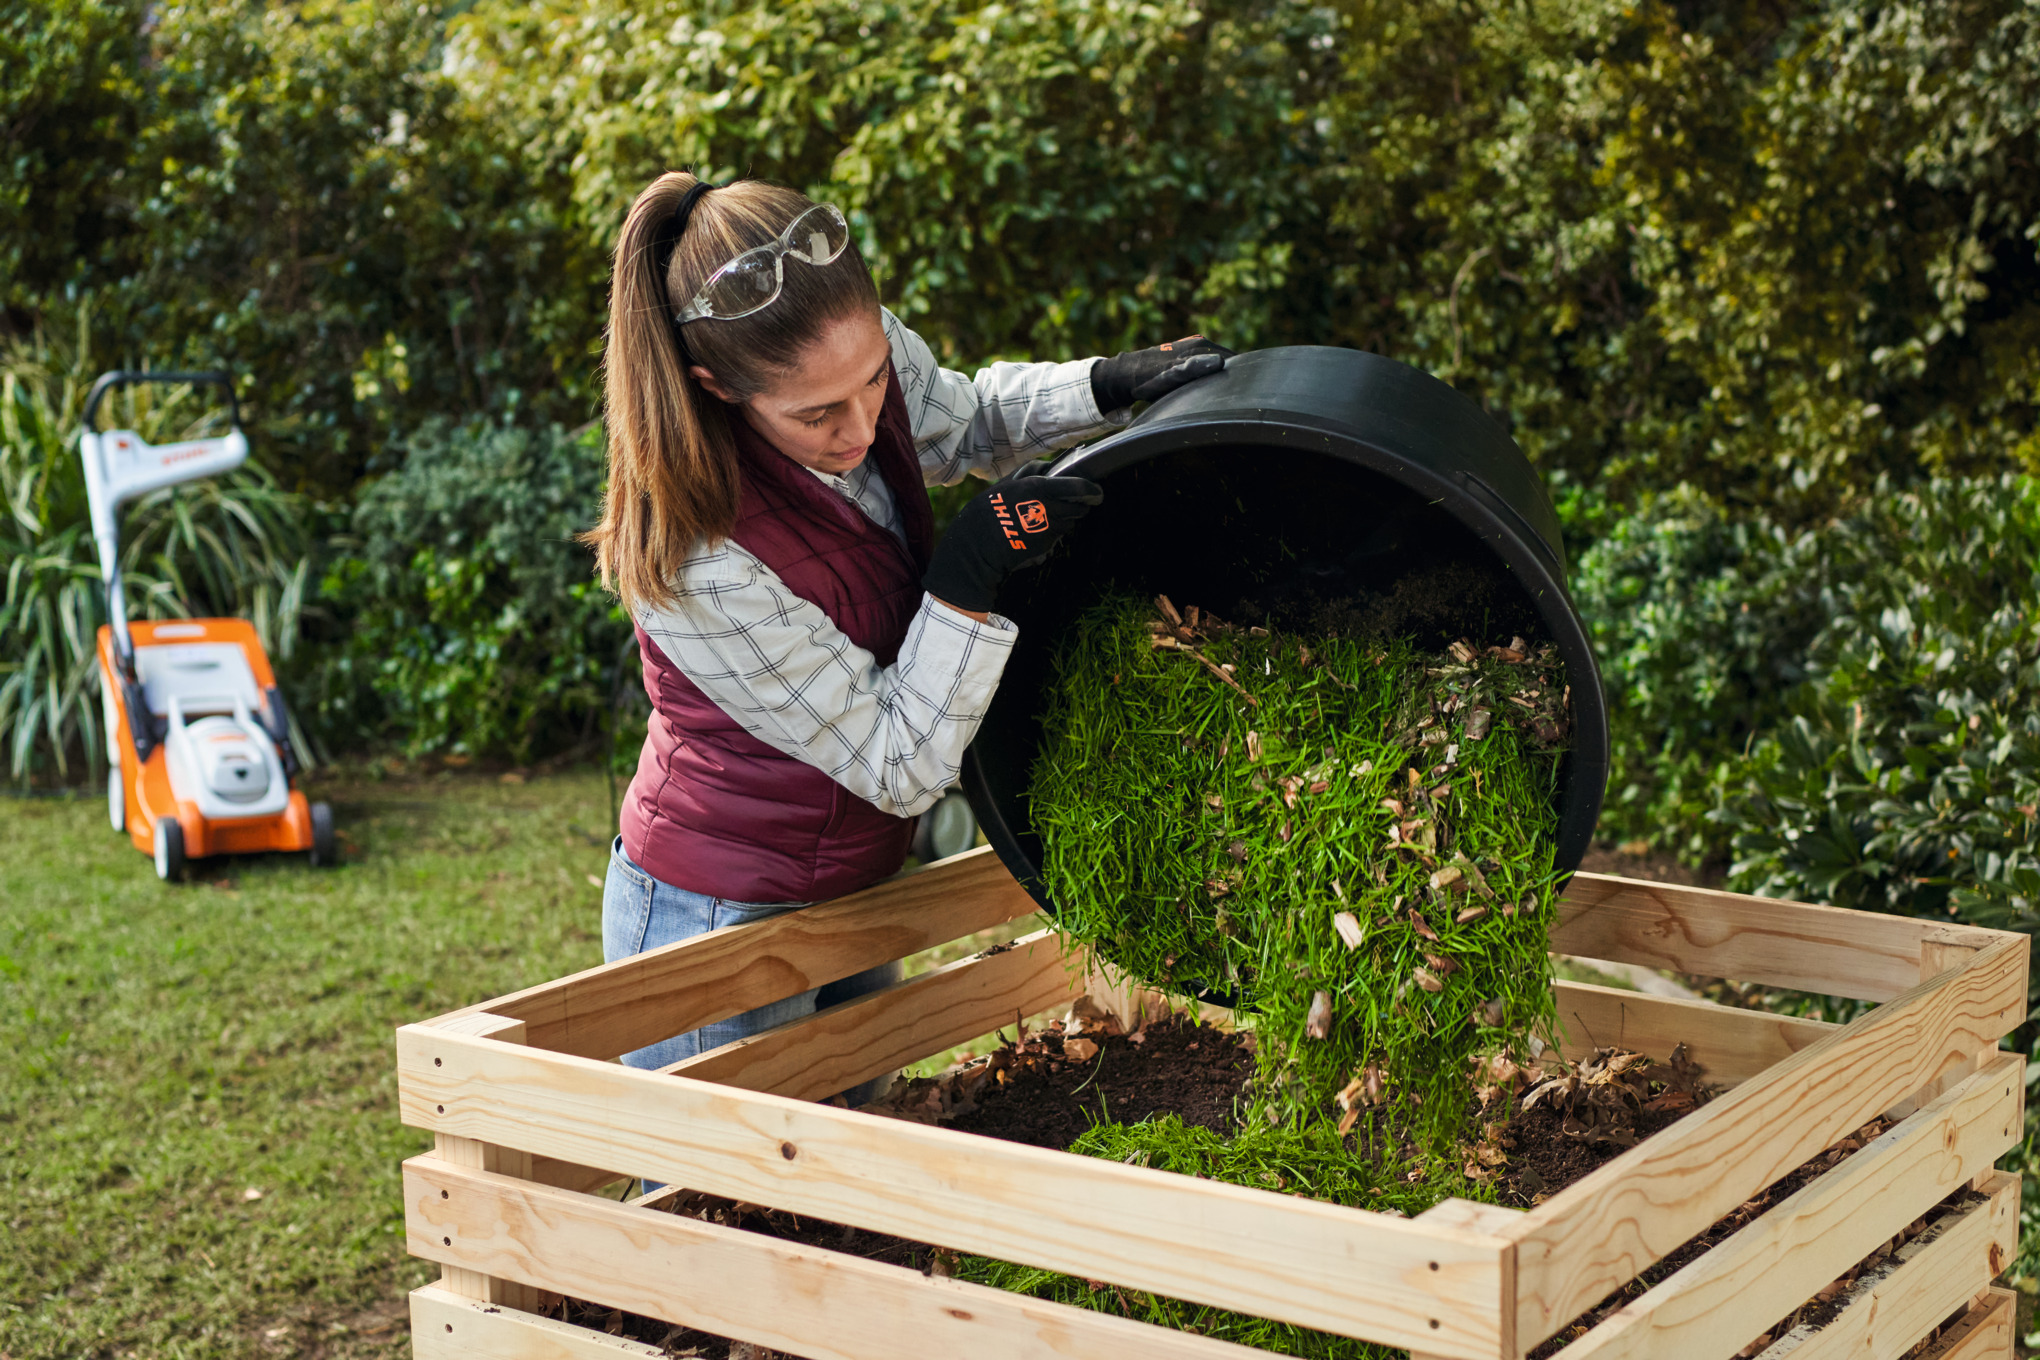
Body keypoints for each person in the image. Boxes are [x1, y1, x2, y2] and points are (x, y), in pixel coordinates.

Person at [587, 171, 1230, 1099]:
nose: (861, 425)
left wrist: (1106, 386)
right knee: (717, 1211)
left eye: (875, 380)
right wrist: (967, 578)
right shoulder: (694, 558)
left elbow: (963, 422)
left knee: (853, 1190)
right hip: (715, 916)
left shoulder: (858, 368)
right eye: (817, 414)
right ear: (717, 386)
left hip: (856, 884)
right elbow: (899, 762)